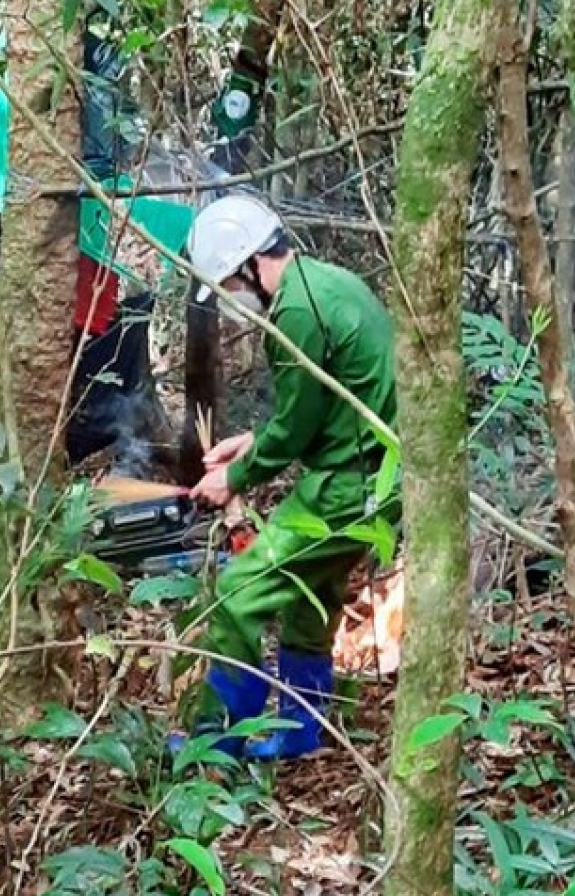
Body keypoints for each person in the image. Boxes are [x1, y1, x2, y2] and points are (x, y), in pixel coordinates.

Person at [169, 193, 399, 762]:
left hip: (346, 489)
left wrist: (234, 477)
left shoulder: (296, 312)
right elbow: (328, 404)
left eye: (228, 284)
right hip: (376, 479)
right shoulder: (327, 283)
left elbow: (296, 428)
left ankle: (217, 746)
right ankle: (299, 737)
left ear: (248, 265)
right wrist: (254, 440)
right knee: (309, 598)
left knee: (238, 594)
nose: (231, 297)